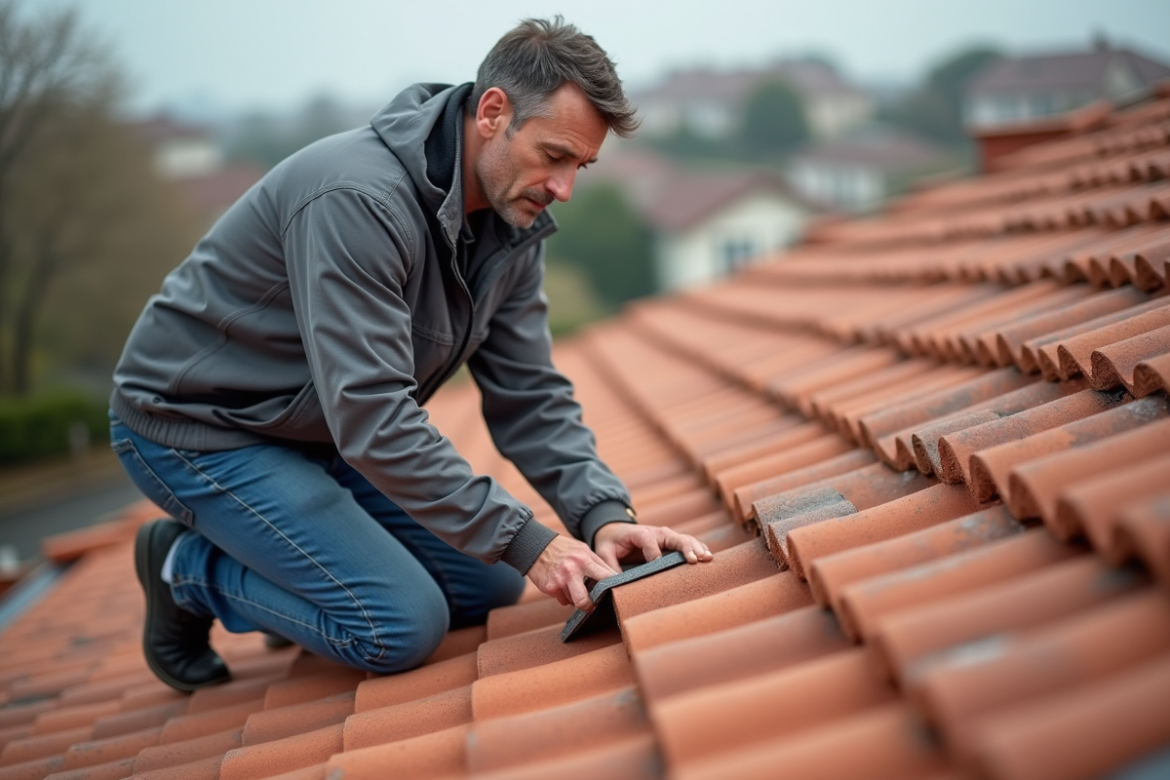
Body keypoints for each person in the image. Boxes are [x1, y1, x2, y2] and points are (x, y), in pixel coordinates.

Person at [110, 17, 712, 692]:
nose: (564, 187)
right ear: (493, 112)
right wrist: (530, 543)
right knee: (398, 623)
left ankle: (288, 572)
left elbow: (529, 393)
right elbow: (369, 411)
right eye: (553, 155)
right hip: (202, 428)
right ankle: (185, 570)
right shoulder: (358, 201)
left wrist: (601, 515)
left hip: (315, 431)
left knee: (484, 583)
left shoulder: (509, 225)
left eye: (581, 165)